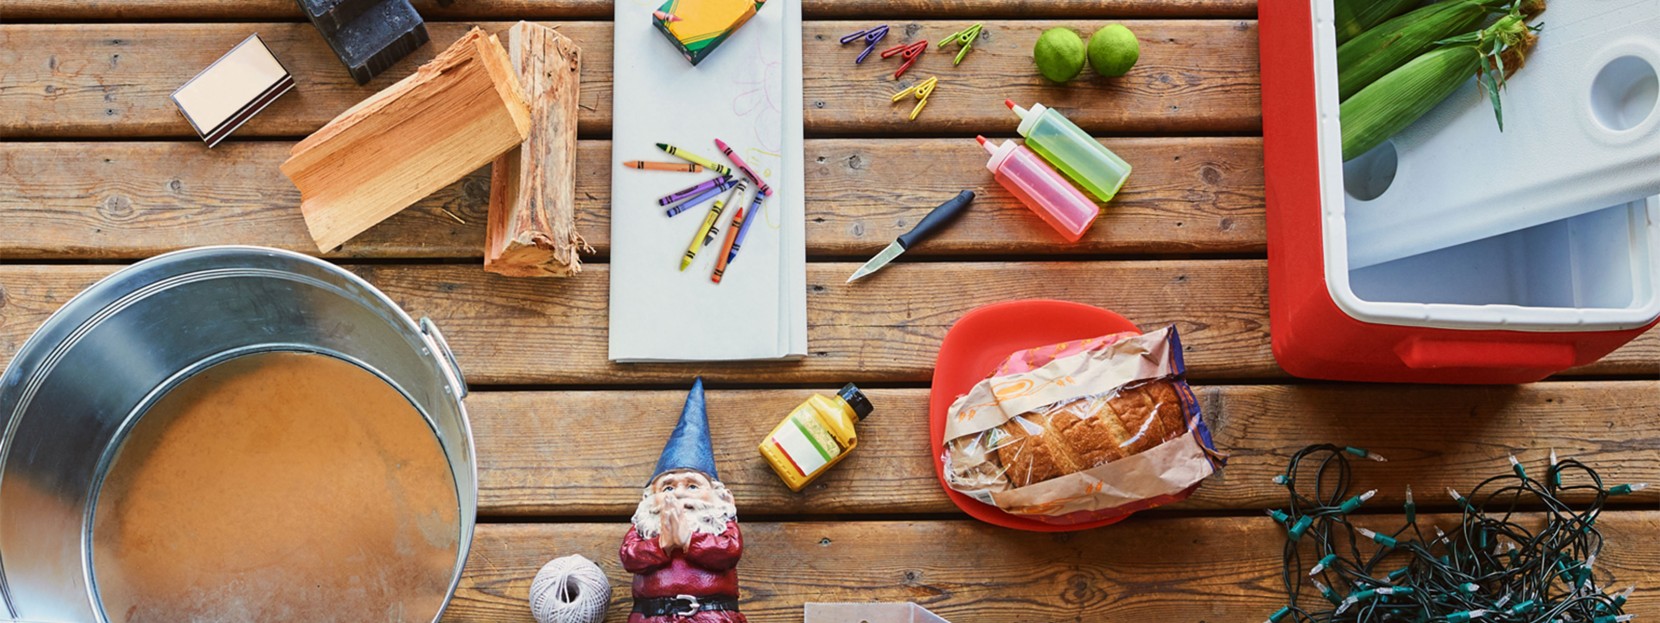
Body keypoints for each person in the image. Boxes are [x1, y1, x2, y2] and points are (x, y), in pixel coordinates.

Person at [620, 378, 746, 623]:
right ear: (649, 498)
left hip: (712, 616)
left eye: (692, 485)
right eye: (667, 486)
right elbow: (629, 557)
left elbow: (729, 552)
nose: (678, 494)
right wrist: (662, 545)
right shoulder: (646, 526)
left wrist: (688, 540)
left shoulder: (721, 524)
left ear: (721, 496)